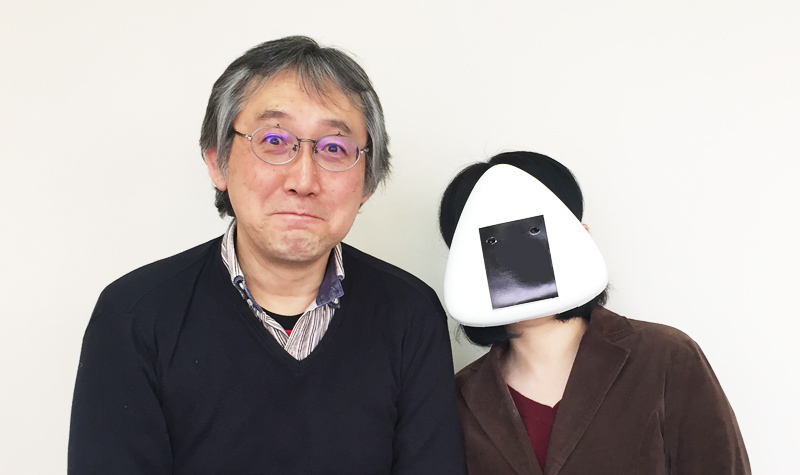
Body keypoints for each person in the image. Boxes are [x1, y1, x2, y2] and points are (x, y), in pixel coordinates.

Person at [68, 36, 465, 474]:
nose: (303, 180)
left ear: (367, 181)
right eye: (274, 140)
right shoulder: (135, 316)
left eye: (334, 148)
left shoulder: (410, 313)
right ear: (217, 161)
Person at [439, 151, 750, 474]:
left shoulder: (665, 357)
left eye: (532, 232)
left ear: (581, 237)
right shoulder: (457, 400)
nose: (514, 259)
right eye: (493, 242)